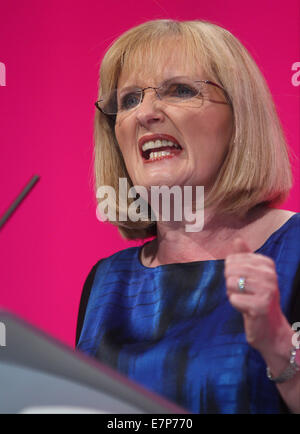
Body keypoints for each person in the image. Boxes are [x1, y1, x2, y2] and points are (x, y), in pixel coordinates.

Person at [76, 19, 300, 414]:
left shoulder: (294, 251)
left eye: (179, 90)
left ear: (239, 117)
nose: (145, 113)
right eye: (128, 100)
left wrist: (279, 345)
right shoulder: (105, 282)